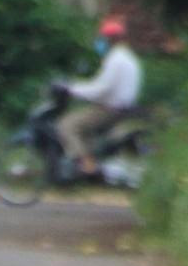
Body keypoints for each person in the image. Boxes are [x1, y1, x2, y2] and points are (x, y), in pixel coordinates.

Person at [57, 17, 142, 175]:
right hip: (121, 108)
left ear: (111, 39)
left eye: (103, 38)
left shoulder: (116, 60)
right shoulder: (128, 58)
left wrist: (72, 89)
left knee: (67, 124)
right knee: (83, 124)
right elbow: (101, 86)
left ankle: (88, 164)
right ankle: (87, 162)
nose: (101, 41)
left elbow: (101, 88)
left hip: (109, 110)